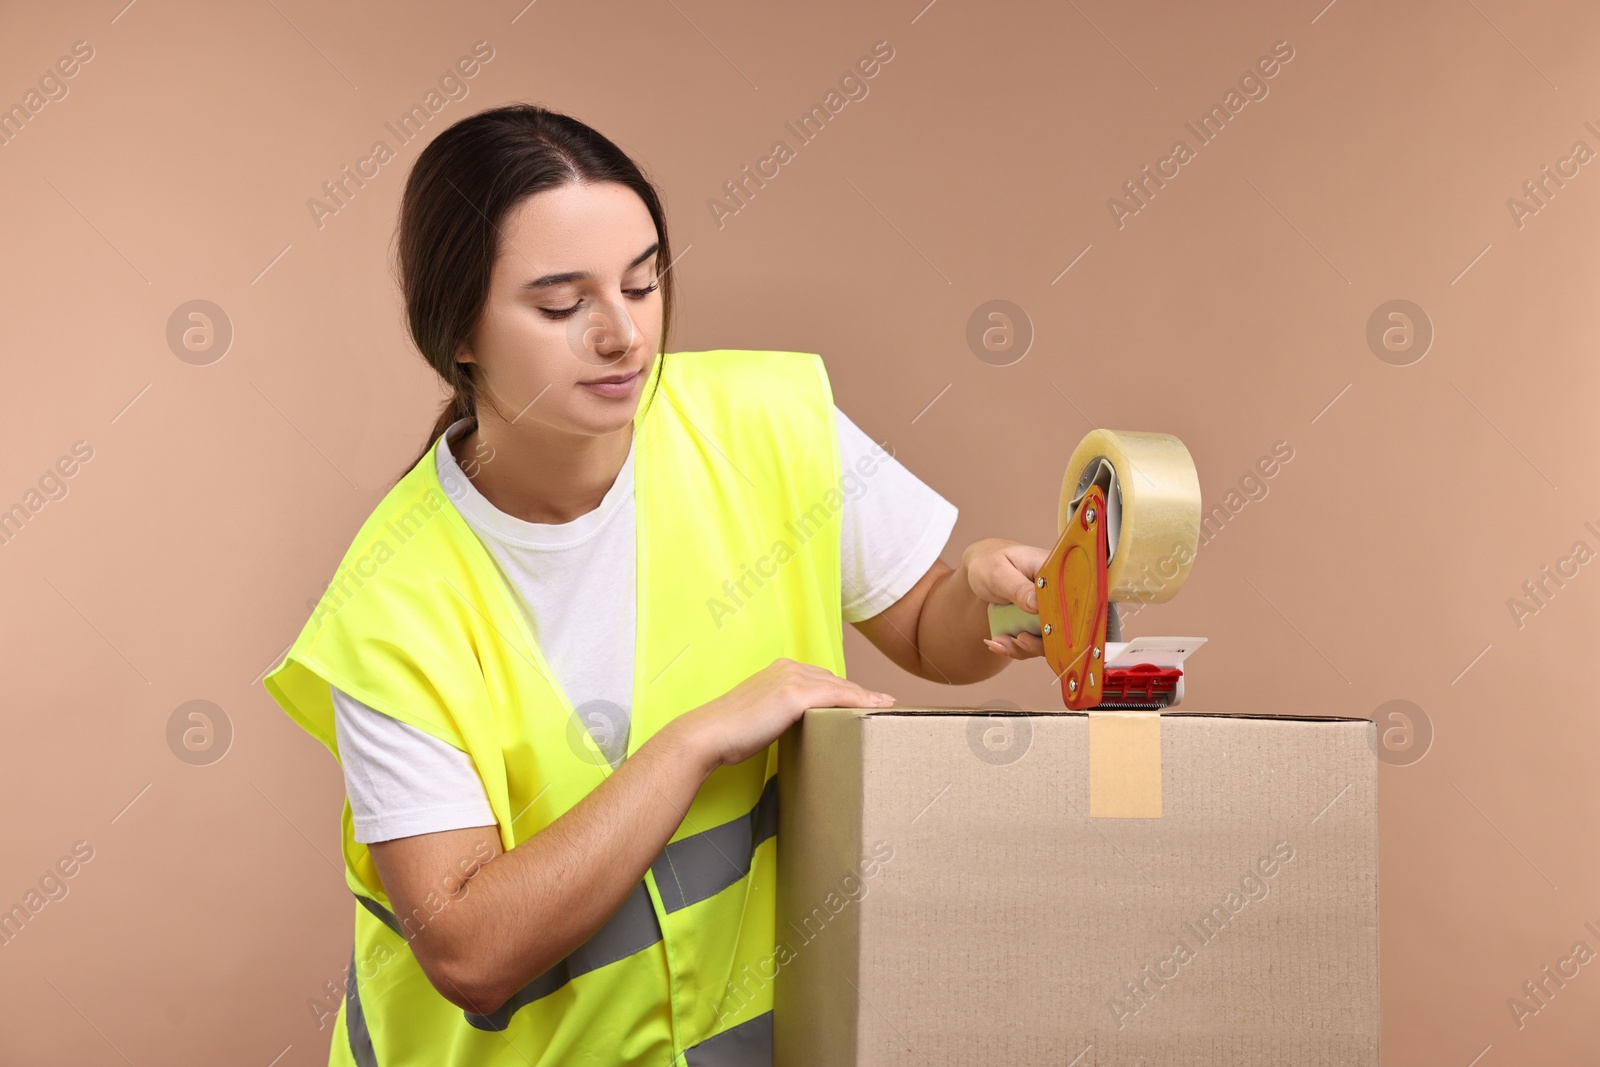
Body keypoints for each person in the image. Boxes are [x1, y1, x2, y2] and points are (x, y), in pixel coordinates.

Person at [263, 103, 1047, 1067]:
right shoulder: (390, 604)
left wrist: (989, 593)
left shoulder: (768, 424)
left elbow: (930, 626)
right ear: (458, 332)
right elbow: (468, 948)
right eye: (562, 306)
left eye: (642, 283)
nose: (623, 334)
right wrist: (695, 742)